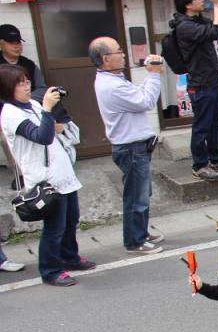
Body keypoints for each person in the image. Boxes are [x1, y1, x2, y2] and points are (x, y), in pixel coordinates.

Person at [0, 66, 94, 286]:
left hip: (62, 173)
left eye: (26, 81)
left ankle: (69, 257)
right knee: (55, 226)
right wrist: (48, 109)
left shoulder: (32, 104)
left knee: (71, 220)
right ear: (7, 88)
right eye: (19, 83)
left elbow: (50, 129)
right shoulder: (10, 114)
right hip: (44, 179)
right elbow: (41, 136)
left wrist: (56, 122)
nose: (26, 86)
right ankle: (50, 271)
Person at [90, 36, 165, 255]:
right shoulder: (111, 86)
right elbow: (146, 101)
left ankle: (139, 231)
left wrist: (150, 75)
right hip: (131, 148)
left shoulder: (112, 79)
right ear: (106, 58)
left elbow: (138, 96)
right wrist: (153, 73)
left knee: (142, 192)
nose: (123, 54)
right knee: (136, 196)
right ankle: (134, 241)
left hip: (134, 146)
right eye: (118, 51)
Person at [169, 0, 218, 181]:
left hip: (212, 81)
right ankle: (199, 165)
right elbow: (215, 32)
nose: (202, 0)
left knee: (215, 123)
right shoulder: (184, 27)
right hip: (200, 84)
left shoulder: (195, 20)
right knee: (202, 126)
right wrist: (217, 5)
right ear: (187, 4)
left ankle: (216, 159)